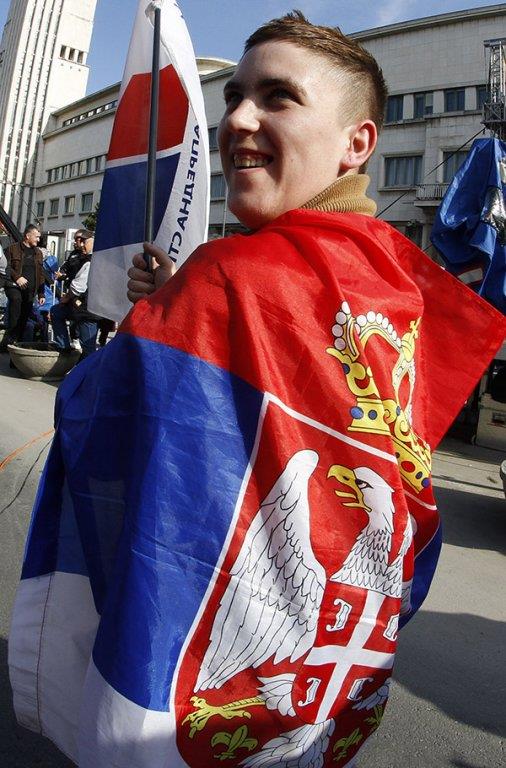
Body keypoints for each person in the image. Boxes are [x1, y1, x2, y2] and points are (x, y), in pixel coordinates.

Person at [8, 12, 506, 768]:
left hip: (191, 689)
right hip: (323, 683)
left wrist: (161, 324)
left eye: (278, 98)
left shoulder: (231, 278)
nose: (238, 116)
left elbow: (100, 414)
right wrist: (179, 309)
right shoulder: (399, 288)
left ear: (357, 144)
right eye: (235, 95)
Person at [50, 229, 99, 358]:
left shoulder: (94, 259)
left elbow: (78, 287)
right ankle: (63, 347)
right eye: (77, 241)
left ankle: (89, 375)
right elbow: (66, 271)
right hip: (76, 305)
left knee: (88, 348)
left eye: (83, 241)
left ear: (91, 240)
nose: (80, 244)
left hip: (88, 310)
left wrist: (66, 298)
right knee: (56, 311)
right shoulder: (76, 256)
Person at [0, 224, 45, 350]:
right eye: (36, 237)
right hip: (13, 286)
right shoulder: (12, 249)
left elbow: (41, 274)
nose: (38, 239)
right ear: (27, 236)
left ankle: (16, 346)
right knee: (16, 303)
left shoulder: (38, 253)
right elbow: (5, 267)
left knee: (24, 319)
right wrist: (17, 277)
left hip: (30, 291)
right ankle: (11, 339)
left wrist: (41, 293)